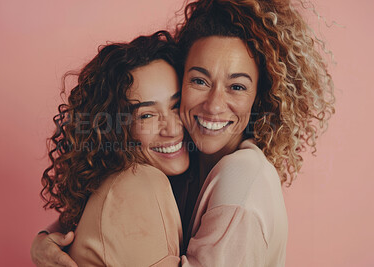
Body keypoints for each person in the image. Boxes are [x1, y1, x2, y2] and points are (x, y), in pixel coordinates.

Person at [32, 0, 335, 266]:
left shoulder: (241, 176)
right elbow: (102, 220)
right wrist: (46, 240)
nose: (214, 106)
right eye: (200, 81)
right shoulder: (181, 168)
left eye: (237, 86)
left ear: (261, 95)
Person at [32, 31, 195, 266]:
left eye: (176, 105)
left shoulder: (132, 180)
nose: (172, 128)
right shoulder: (140, 183)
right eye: (146, 115)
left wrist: (42, 238)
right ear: (114, 129)